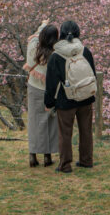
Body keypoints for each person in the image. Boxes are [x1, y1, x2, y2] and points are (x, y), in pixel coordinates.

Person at [44, 19, 97, 174]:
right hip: (86, 98)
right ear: (78, 32)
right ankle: (87, 160)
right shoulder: (85, 51)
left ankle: (65, 165)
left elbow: (51, 84)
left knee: (65, 133)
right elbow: (92, 73)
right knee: (86, 130)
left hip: (65, 100)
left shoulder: (56, 56)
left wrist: (49, 102)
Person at [23, 19, 59, 168]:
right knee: (50, 122)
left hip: (33, 88)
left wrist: (43, 24)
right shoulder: (56, 54)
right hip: (49, 91)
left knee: (34, 121)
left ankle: (32, 154)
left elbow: (37, 35)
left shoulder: (33, 47)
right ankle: (47, 156)